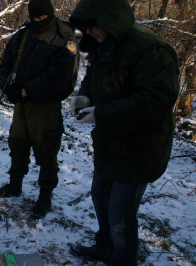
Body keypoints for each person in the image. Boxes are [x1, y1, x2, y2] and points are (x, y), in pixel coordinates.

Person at [68, 0, 180, 265]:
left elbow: (156, 99)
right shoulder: (104, 44)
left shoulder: (150, 49)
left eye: (94, 27)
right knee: (99, 196)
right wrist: (83, 98)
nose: (91, 33)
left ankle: (123, 259)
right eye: (87, 28)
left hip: (141, 147)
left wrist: (101, 113)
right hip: (111, 143)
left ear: (110, 21)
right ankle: (105, 248)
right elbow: (92, 77)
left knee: (120, 214)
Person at [0, 0, 79, 220]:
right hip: (21, 104)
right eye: (35, 18)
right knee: (17, 144)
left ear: (50, 13)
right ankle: (15, 185)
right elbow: (7, 62)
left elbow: (61, 76)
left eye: (42, 18)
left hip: (45, 106)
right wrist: (6, 86)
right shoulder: (23, 34)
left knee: (46, 150)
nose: (39, 21)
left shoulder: (66, 36)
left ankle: (45, 197)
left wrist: (27, 90)